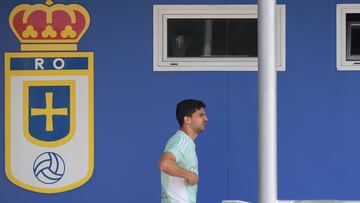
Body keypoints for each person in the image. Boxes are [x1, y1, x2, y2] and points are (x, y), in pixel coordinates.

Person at [158, 99, 208, 203]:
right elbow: (164, 164)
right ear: (187, 119)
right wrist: (189, 175)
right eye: (201, 115)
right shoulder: (182, 141)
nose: (206, 119)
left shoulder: (187, 143)